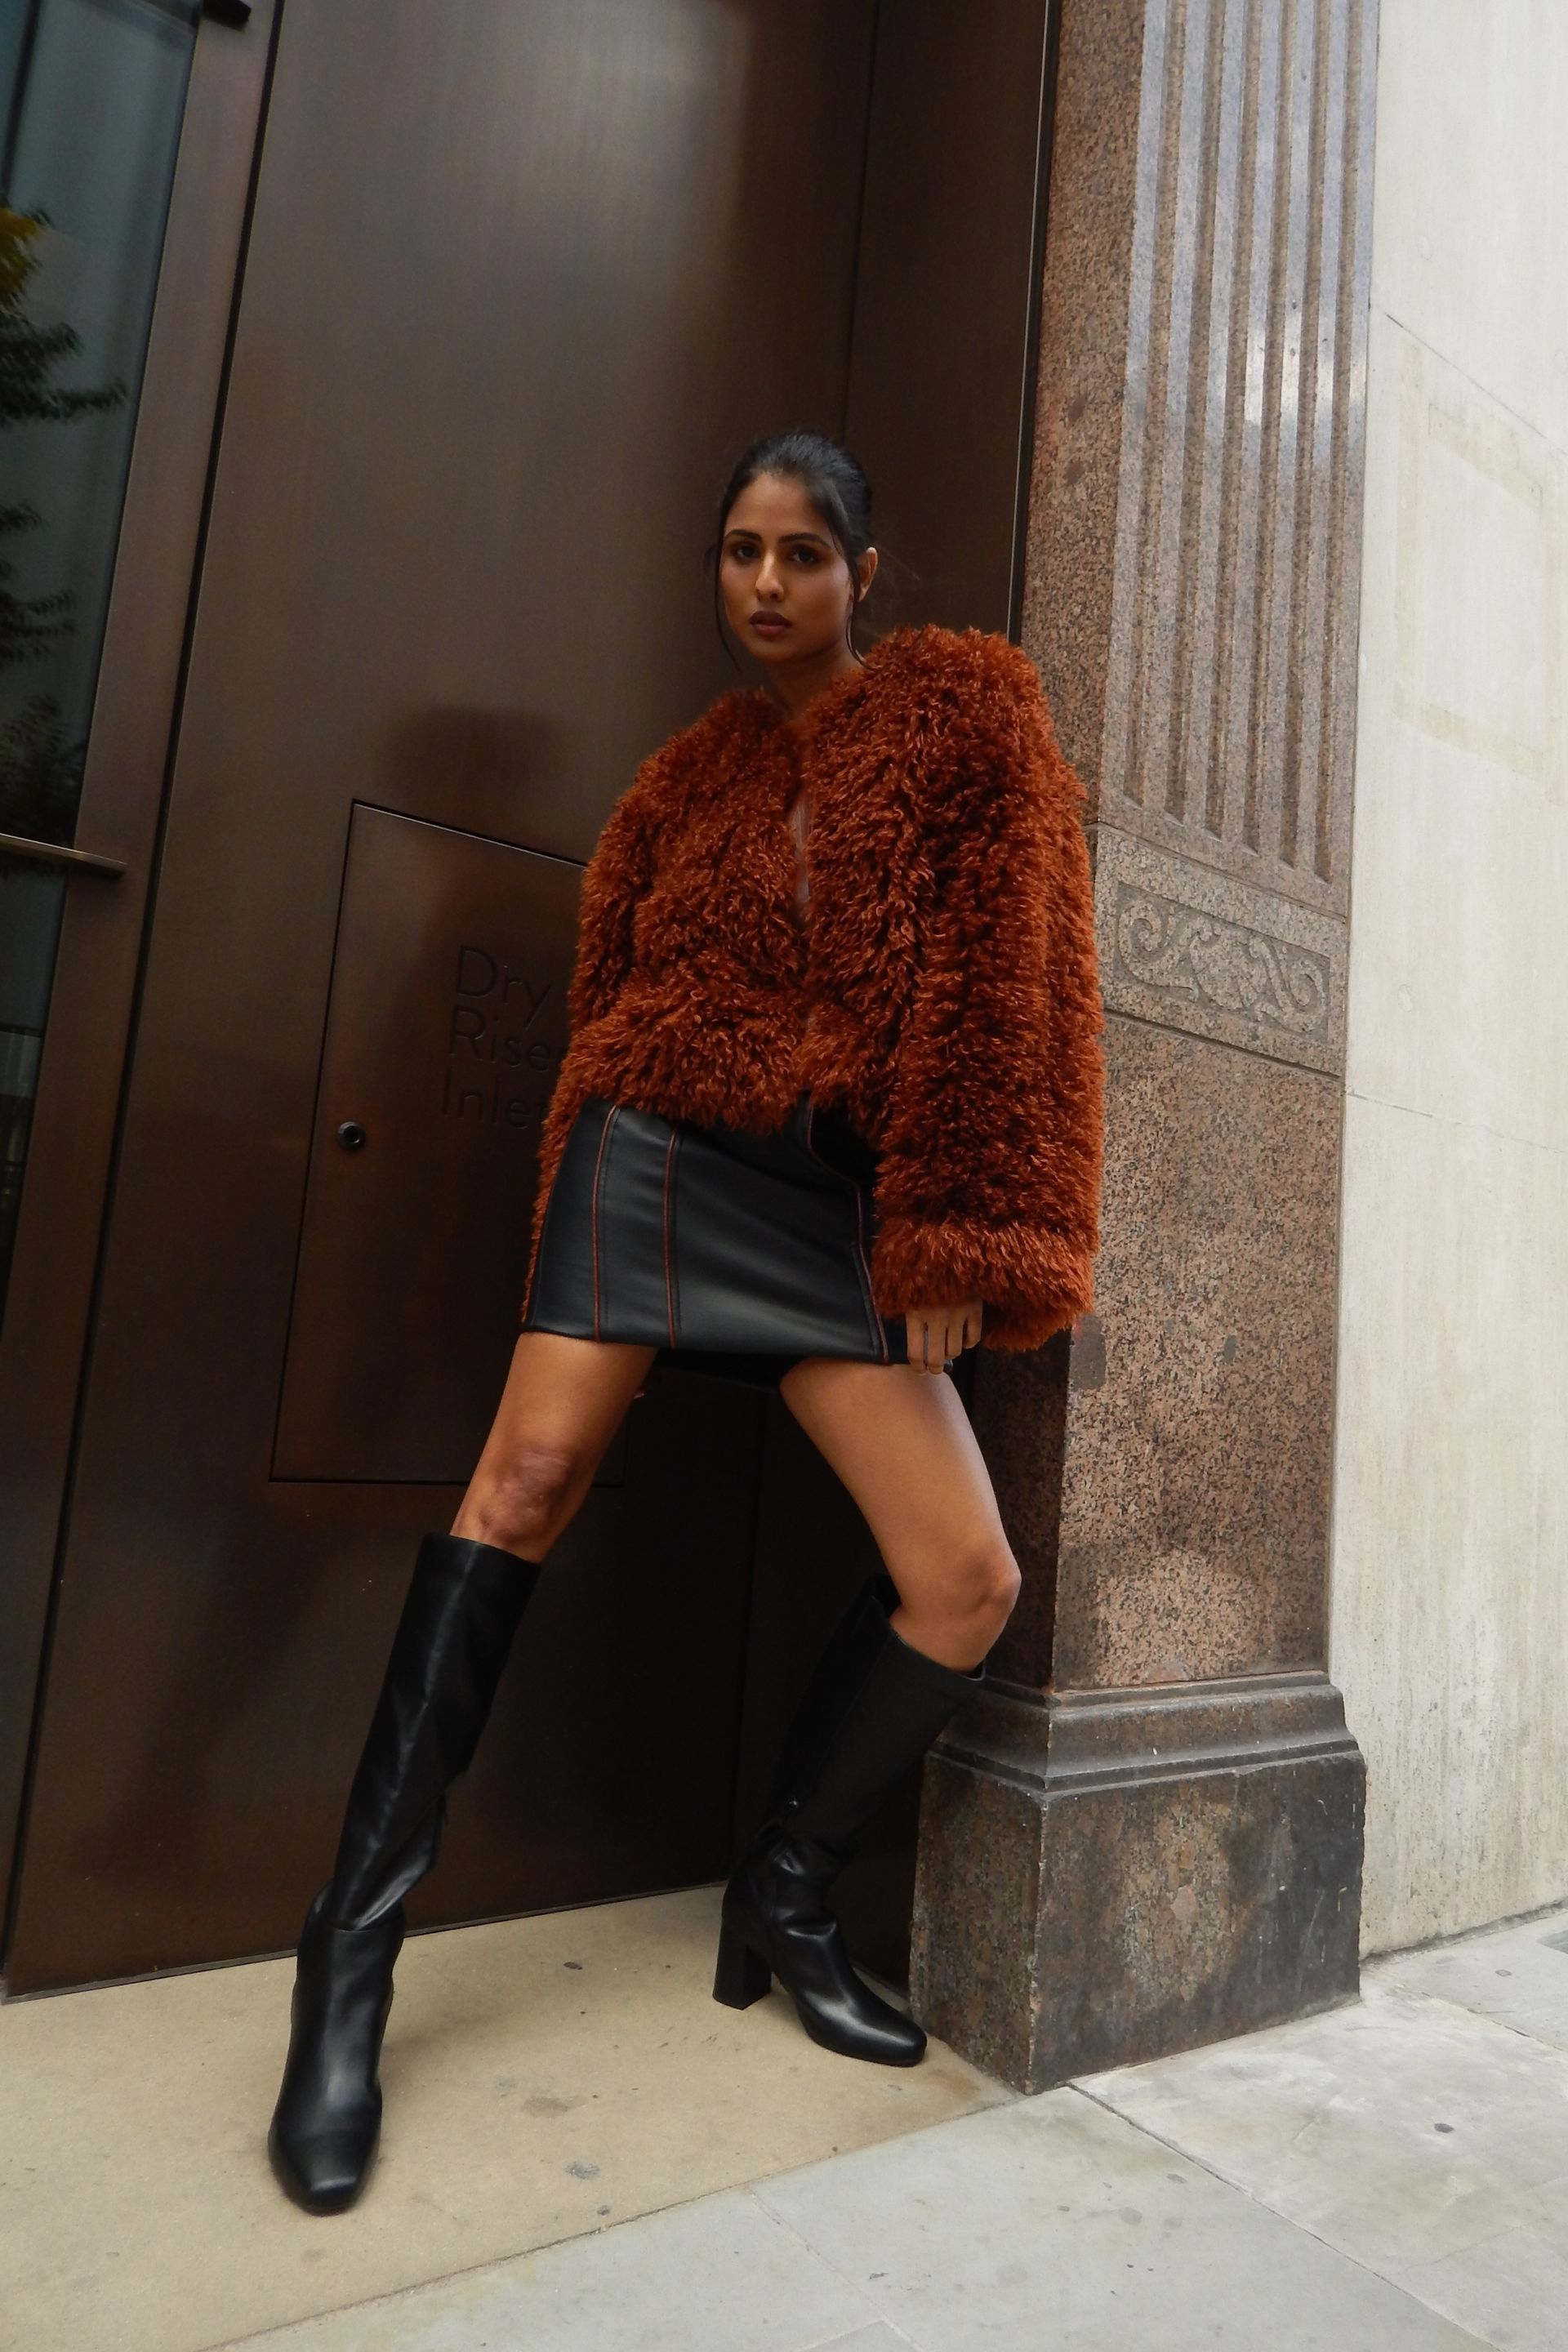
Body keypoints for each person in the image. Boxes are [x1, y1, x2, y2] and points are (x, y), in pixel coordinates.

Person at [268, 430, 1106, 2214]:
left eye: (803, 551)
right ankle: (347, 1963)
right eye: (739, 549)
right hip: (655, 1152)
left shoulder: (970, 718)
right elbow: (614, 997)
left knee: (967, 1577)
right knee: (525, 1480)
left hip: (841, 1205)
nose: (767, 582)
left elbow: (1014, 977)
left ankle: (786, 1893)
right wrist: (594, 1152)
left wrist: (955, 1214)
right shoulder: (676, 787)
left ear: (865, 571)